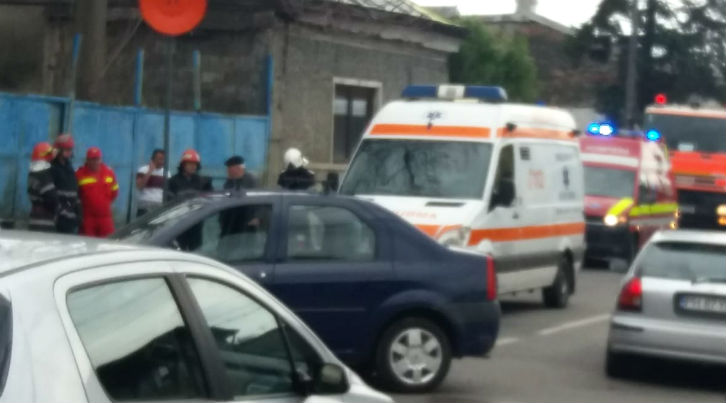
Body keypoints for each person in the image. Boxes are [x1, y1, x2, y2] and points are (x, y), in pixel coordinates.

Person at [167, 149, 212, 251]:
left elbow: (210, 199)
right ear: (183, 165)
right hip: (179, 224)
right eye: (190, 164)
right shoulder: (173, 181)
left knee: (196, 251)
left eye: (195, 164)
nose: (193, 166)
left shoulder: (202, 181)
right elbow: (168, 202)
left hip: (196, 223)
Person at [76, 147, 119, 238]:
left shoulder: (109, 172)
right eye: (92, 159)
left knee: (108, 242)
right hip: (87, 218)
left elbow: (114, 193)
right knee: (88, 243)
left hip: (106, 218)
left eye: (97, 159)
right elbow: (76, 195)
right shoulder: (79, 174)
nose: (95, 162)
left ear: (100, 159)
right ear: (87, 160)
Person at [50, 133, 81, 234]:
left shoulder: (69, 167)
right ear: (59, 150)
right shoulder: (53, 168)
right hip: (58, 218)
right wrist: (63, 212)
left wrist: (78, 211)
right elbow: (51, 195)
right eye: (67, 149)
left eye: (70, 149)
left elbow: (74, 190)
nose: (69, 152)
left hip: (71, 217)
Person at [27, 142, 57, 231]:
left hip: (34, 218)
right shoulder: (43, 174)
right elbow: (51, 198)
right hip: (45, 221)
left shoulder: (33, 172)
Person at [135, 149, 166, 217]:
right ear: (153, 159)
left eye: (163, 159)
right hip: (145, 204)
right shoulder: (143, 170)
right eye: (159, 159)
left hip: (159, 205)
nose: (161, 161)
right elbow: (139, 186)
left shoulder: (166, 173)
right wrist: (150, 171)